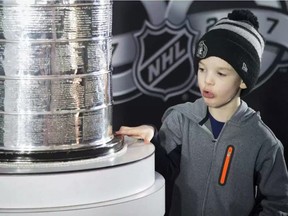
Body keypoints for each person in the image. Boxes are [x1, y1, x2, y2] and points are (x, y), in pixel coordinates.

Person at [116, 9, 288, 216]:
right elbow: (164, 170)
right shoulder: (181, 118)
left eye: (221, 73)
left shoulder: (263, 141)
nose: (207, 80)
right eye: (202, 69)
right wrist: (151, 139)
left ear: (243, 80)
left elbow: (278, 203)